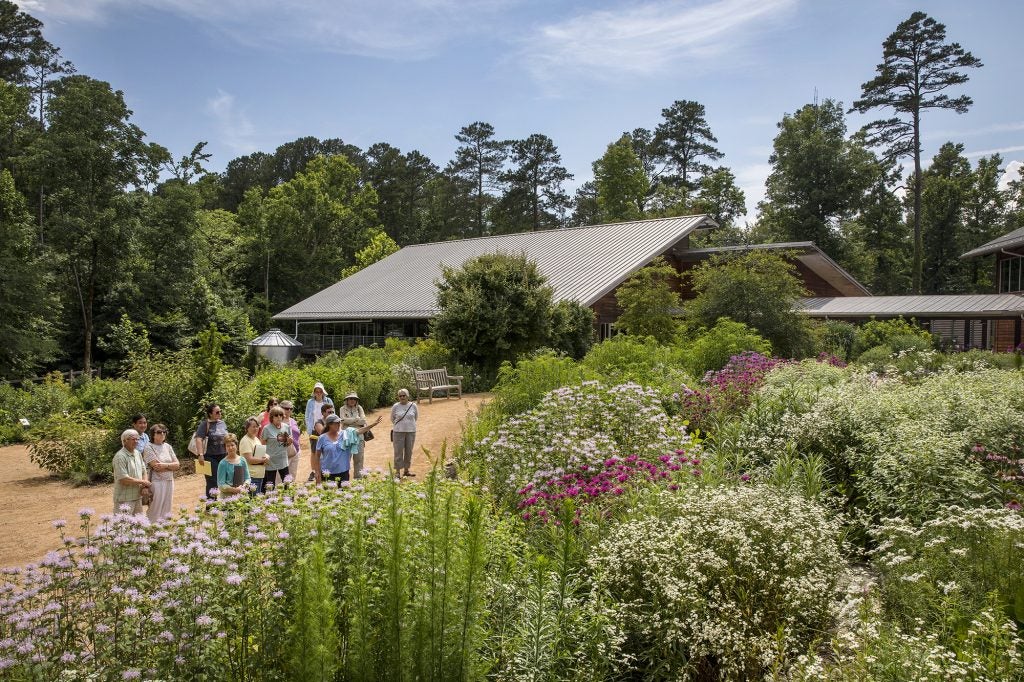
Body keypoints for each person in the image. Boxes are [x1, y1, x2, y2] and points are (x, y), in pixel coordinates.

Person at [313, 414, 381, 485]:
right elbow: (317, 456)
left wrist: (373, 425)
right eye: (336, 423)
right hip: (327, 473)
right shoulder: (322, 438)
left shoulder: (345, 434)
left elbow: (359, 431)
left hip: (343, 472)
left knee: (343, 493)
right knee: (329, 495)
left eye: (339, 422)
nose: (339, 424)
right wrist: (317, 472)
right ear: (329, 424)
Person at [143, 423, 179, 522]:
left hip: (169, 480)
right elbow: (157, 467)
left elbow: (177, 465)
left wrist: (165, 466)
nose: (162, 434)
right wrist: (171, 466)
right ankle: (151, 530)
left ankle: (164, 531)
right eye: (159, 432)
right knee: (155, 507)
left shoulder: (167, 446)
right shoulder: (148, 447)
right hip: (157, 481)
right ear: (153, 434)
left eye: (164, 431)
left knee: (167, 507)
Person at [113, 429, 150, 516]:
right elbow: (123, 479)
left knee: (138, 525)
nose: (136, 441)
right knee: (123, 526)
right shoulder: (120, 456)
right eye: (133, 439)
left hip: (137, 496)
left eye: (137, 439)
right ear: (125, 441)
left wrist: (145, 486)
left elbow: (143, 470)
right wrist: (143, 482)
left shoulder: (137, 453)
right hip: (124, 499)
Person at [195, 404, 228, 500]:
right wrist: (200, 455)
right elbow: (198, 439)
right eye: (217, 412)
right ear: (210, 414)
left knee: (224, 480)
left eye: (220, 411)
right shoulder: (205, 424)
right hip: (210, 456)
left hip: (223, 455)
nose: (220, 413)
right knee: (212, 481)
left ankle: (224, 503)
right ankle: (211, 505)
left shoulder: (222, 423)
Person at [260, 406, 293, 490]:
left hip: (283, 459)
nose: (279, 417)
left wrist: (289, 442)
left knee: (287, 483)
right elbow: (262, 445)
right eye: (276, 415)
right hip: (271, 461)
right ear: (272, 417)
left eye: (281, 415)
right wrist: (263, 458)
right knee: (270, 485)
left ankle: (289, 501)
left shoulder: (286, 427)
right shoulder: (266, 429)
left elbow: (287, 444)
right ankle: (270, 501)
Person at [390, 388, 419, 478]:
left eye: (404, 395)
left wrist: (408, 425)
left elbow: (416, 417)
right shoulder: (395, 406)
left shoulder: (413, 405)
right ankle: (397, 472)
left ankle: (406, 470)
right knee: (398, 452)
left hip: (411, 431)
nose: (402, 397)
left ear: (407, 396)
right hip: (398, 432)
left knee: (409, 451)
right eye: (400, 396)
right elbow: (392, 418)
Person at [338, 392, 367, 478]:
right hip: (346, 437)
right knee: (346, 459)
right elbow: (342, 421)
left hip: (359, 436)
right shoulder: (342, 409)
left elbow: (363, 421)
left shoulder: (359, 408)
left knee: (359, 459)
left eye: (354, 399)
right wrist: (355, 419)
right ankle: (344, 480)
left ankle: (358, 481)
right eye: (350, 398)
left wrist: (349, 421)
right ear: (346, 400)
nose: (352, 400)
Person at [239, 416, 269, 493]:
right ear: (247, 428)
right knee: (253, 501)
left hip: (259, 475)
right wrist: (263, 459)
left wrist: (266, 456)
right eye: (253, 427)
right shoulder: (245, 441)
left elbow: (260, 453)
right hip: (251, 476)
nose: (256, 429)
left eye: (257, 426)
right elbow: (250, 460)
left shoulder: (256, 439)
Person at [307, 403, 335, 482]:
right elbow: (323, 434)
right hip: (319, 450)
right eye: (329, 412)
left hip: (328, 448)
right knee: (320, 471)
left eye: (332, 412)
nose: (331, 414)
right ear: (323, 413)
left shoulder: (333, 422)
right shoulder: (318, 423)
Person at [279, 400, 302, 480]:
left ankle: (290, 492)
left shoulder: (293, 421)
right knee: (281, 479)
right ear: (280, 408)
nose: (289, 410)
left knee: (292, 477)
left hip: (295, 452)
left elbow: (297, 435)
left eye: (291, 408)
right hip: (283, 454)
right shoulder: (278, 422)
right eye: (286, 408)